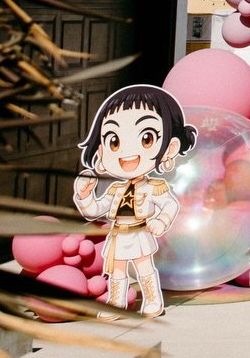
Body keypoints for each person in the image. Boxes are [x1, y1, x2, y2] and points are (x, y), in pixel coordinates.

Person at [73, 84, 197, 317]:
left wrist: (160, 221)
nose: (127, 152)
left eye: (146, 138)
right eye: (114, 142)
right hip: (119, 233)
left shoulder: (154, 186)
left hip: (140, 232)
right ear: (101, 151)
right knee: (117, 270)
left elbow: (170, 204)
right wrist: (85, 196)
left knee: (144, 267)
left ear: (169, 148)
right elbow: (95, 210)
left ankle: (151, 300)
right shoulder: (115, 189)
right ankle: (116, 302)